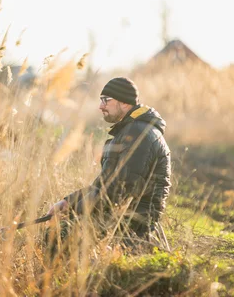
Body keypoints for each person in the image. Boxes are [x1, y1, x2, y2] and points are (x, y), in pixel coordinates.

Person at [46, 77, 171, 251]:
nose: (101, 106)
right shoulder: (130, 130)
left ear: (125, 103)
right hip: (121, 216)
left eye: (106, 100)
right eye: (100, 100)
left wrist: (77, 211)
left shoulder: (139, 133)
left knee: (61, 235)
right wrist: (68, 202)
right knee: (59, 232)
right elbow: (104, 184)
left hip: (134, 224)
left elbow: (122, 189)